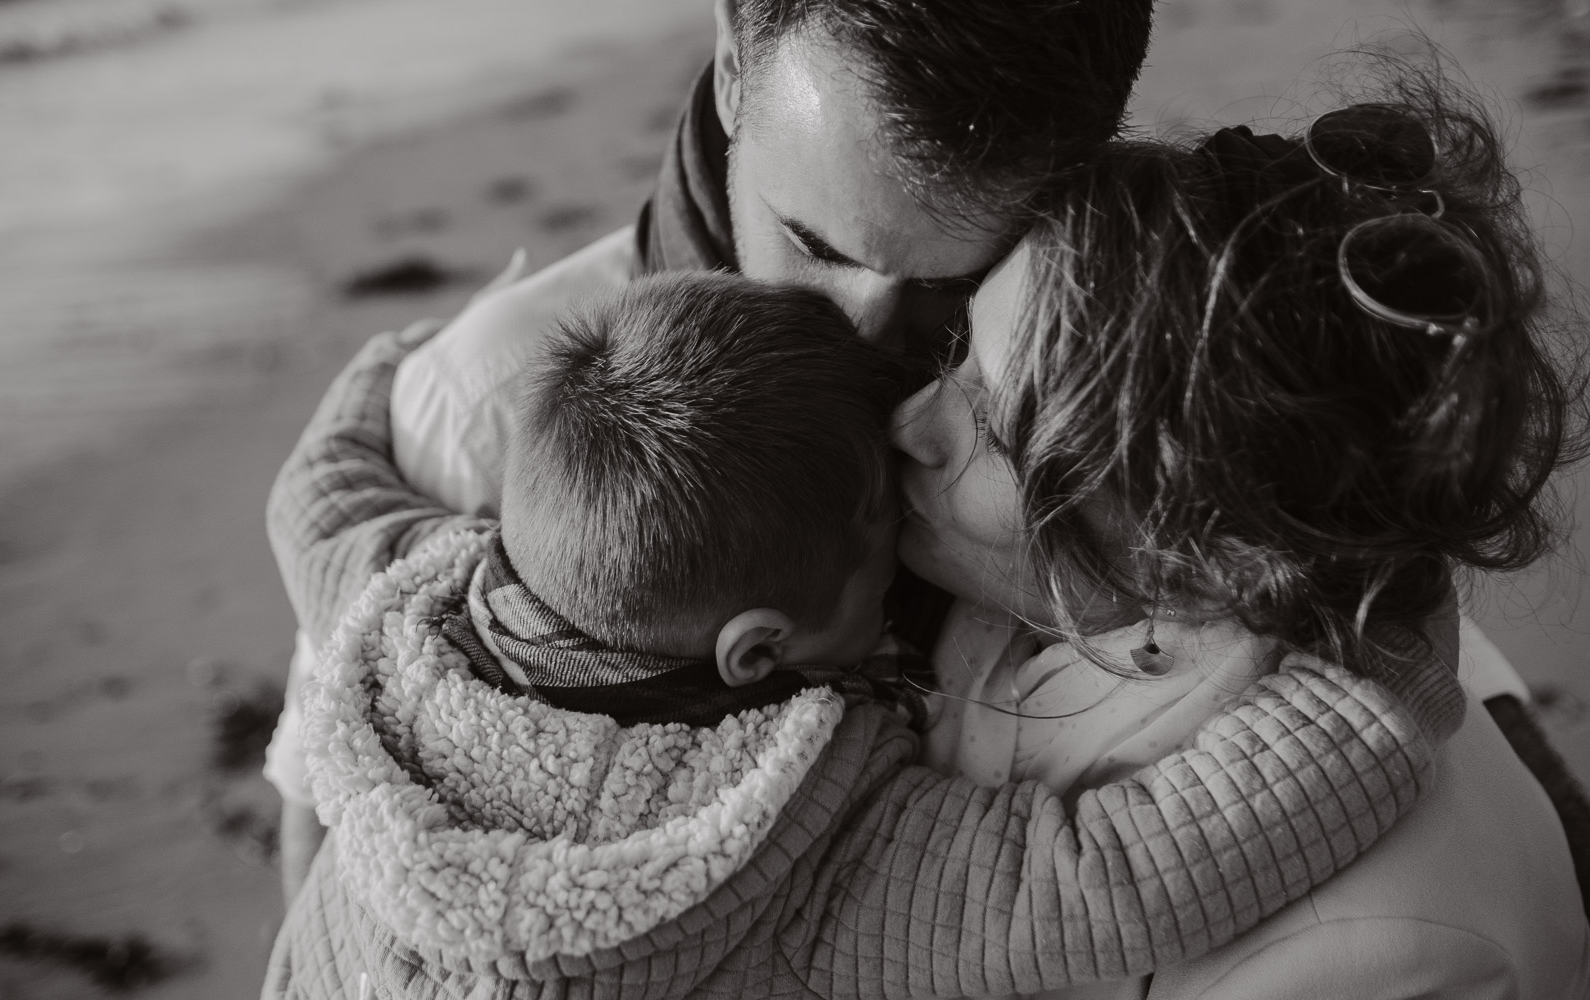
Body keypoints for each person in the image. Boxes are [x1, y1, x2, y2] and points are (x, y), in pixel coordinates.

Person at [261, 268, 1457, 999]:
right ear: (757, 652)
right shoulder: (767, 848)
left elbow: (318, 505)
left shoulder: (411, 596)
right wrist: (1373, 686)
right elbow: (1106, 875)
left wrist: (377, 376)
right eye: (882, 552)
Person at [264, 0, 1158, 896]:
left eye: (953, 283)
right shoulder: (481, 413)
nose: (860, 332)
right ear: (735, 60)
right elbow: (337, 821)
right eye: (812, 242)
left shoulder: (1132, 412)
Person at [889, 89, 1590, 995]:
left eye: (996, 426)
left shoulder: (1381, 954)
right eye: (958, 356)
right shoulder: (1045, 605)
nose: (909, 420)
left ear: (1207, 553)